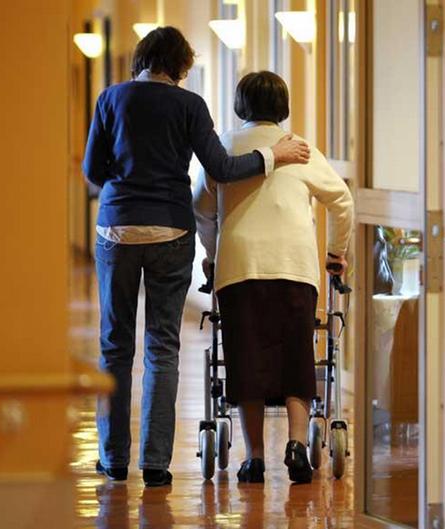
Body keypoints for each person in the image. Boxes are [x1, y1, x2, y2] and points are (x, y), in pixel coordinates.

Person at [82, 27, 311, 488]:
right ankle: (155, 464)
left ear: (143, 59)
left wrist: (125, 179)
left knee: (114, 345)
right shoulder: (188, 106)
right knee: (163, 346)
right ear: (181, 66)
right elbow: (223, 169)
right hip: (169, 229)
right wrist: (275, 154)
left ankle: (112, 459)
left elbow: (92, 171)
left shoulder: (110, 98)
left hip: (117, 229)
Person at [193, 71, 353, 484]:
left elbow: (200, 205)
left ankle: (255, 457)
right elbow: (342, 200)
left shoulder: (225, 147)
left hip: (240, 265)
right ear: (283, 107)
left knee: (245, 357)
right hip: (295, 264)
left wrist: (212, 253)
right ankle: (297, 444)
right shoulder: (301, 149)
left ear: (239, 105)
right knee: (297, 353)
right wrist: (337, 253)